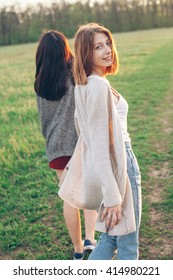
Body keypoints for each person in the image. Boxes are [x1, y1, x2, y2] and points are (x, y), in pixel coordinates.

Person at [59, 23, 142, 260]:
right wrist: (114, 196)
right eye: (98, 47)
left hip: (114, 165)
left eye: (107, 43)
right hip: (120, 163)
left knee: (112, 237)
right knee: (128, 243)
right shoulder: (97, 86)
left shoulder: (86, 84)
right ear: (86, 52)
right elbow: (98, 145)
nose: (107, 50)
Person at [34, 30, 98, 260]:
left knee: (69, 198)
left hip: (56, 148)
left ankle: (78, 250)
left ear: (41, 55)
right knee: (89, 192)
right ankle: (91, 239)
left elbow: (44, 120)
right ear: (65, 50)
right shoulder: (74, 74)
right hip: (80, 143)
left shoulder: (40, 83)